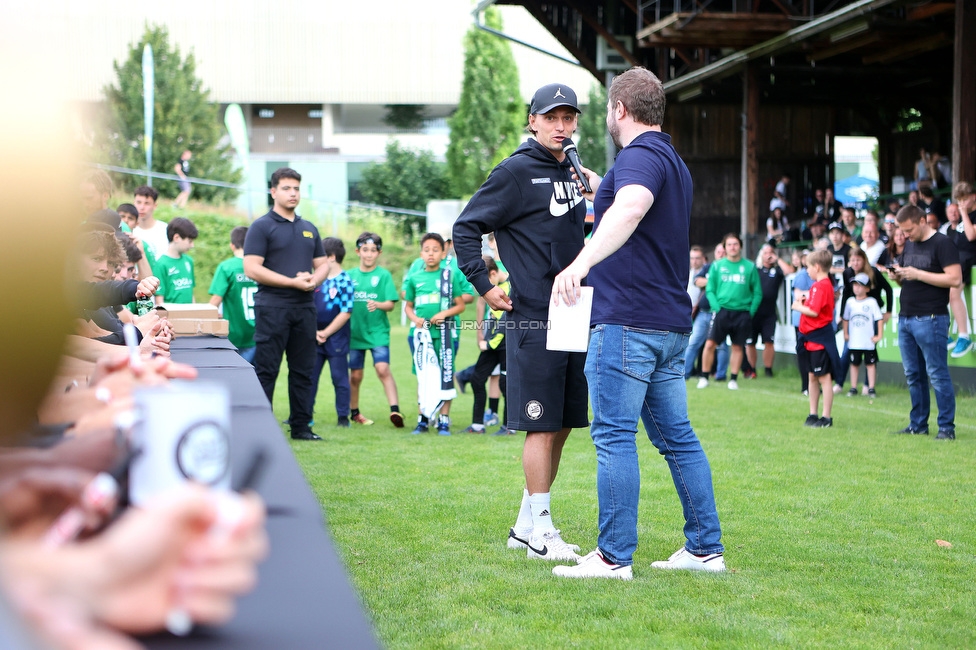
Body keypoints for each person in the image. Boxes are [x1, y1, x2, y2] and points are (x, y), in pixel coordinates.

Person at [549, 66, 725, 579]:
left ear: (620, 110)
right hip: (669, 325)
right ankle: (704, 549)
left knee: (614, 437)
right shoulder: (669, 159)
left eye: (606, 108)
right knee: (678, 440)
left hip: (627, 322)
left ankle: (611, 557)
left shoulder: (638, 158)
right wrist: (604, 187)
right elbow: (639, 209)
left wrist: (579, 264)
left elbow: (632, 208)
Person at [453, 81, 589, 563]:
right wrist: (485, 287)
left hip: (575, 310)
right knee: (540, 422)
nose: (561, 125)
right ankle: (542, 532)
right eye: (551, 117)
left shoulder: (572, 169)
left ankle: (525, 524)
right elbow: (465, 227)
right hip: (533, 312)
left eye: (569, 117)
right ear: (533, 120)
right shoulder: (513, 171)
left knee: (566, 421)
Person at [243, 167, 328, 441]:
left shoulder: (308, 228)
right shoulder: (261, 226)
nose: (293, 193)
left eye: (296, 188)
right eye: (287, 188)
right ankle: (261, 427)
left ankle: (301, 427)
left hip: (305, 309)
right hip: (272, 307)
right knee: (267, 370)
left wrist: (314, 279)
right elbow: (251, 268)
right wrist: (291, 282)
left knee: (303, 370)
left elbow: (323, 264)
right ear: (273, 191)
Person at [888, 204, 961, 439]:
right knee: (913, 375)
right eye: (902, 231)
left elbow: (955, 279)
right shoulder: (910, 244)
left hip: (931, 318)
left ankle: (946, 428)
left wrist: (917, 274)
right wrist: (899, 276)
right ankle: (918, 424)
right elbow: (910, 278)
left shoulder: (943, 243)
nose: (905, 235)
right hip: (906, 317)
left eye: (908, 230)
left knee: (937, 374)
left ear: (922, 221)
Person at [404, 233, 467, 435]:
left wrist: (444, 314)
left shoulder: (449, 276)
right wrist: (416, 320)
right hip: (423, 336)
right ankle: (423, 418)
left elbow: (460, 306)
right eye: (427, 250)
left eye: (435, 250)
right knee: (424, 376)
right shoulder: (414, 278)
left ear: (443, 253)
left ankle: (444, 421)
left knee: (445, 375)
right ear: (421, 253)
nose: (431, 254)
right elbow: (408, 307)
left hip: (446, 335)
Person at [347, 231, 404, 428]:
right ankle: (354, 412)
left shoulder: (383, 275)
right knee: (355, 375)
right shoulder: (350, 276)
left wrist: (378, 305)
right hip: (355, 333)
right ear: (358, 252)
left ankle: (395, 410)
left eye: (373, 250)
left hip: (378, 332)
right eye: (365, 250)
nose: (369, 254)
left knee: (382, 369)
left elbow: (391, 303)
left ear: (379, 253)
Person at [697, 232, 760, 390]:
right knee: (710, 343)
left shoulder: (749, 266)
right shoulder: (717, 266)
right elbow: (710, 290)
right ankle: (704, 377)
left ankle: (733, 379)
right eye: (729, 244)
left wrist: (750, 311)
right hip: (722, 311)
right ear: (725, 248)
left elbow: (758, 292)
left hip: (742, 312)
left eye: (735, 244)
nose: (733, 247)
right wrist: (716, 307)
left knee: (738, 346)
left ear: (740, 246)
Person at [459, 256, 509, 435]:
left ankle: (509, 427)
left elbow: (506, 322)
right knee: (477, 379)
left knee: (506, 384)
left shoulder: (510, 287)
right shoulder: (494, 286)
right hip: (492, 344)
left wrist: (488, 344)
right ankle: (477, 426)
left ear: (494, 274)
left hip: (505, 346)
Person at [791, 249, 837, 428]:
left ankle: (826, 417)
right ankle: (813, 413)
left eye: (808, 267)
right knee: (812, 376)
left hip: (818, 340)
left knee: (824, 377)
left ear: (817, 267)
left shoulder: (821, 285)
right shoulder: (821, 285)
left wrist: (797, 306)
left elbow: (815, 311)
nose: (807, 271)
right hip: (810, 339)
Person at [311, 237, 354, 428]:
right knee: (309, 377)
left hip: (336, 338)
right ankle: (304, 414)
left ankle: (343, 417)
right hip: (313, 337)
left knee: (339, 378)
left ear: (330, 257)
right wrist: (314, 331)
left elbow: (345, 312)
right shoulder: (314, 280)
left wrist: (325, 333)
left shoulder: (345, 281)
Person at [209, 226, 258, 363]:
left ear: (232, 245)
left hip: (234, 334)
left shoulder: (227, 267)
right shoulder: (260, 268)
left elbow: (215, 300)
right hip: (257, 333)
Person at [746, 243, 793, 377]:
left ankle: (768, 370)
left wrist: (777, 259)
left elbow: (789, 271)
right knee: (750, 342)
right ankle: (752, 369)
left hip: (769, 313)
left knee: (769, 341)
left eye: (770, 252)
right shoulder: (755, 270)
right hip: (754, 311)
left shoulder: (777, 271)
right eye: (765, 253)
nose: (768, 255)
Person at [945, 184, 976, 357]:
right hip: (957, 258)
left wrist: (963, 213)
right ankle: (947, 335)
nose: (962, 203)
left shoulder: (970, 215)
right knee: (944, 292)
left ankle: (964, 336)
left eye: (965, 199)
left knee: (953, 294)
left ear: (974, 196)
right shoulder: (959, 220)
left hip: (969, 258)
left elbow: (971, 236)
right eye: (959, 200)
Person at [842, 273, 884, 397]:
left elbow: (879, 319)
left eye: (860, 285)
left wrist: (879, 335)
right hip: (854, 340)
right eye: (855, 285)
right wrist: (846, 333)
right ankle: (853, 387)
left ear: (867, 288)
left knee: (870, 364)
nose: (857, 288)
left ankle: (871, 388)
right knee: (854, 364)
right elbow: (845, 319)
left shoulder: (871, 302)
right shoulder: (850, 302)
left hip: (868, 341)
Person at [154, 216, 198, 305]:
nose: (192, 245)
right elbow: (159, 301)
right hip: (172, 317)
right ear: (177, 237)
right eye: (189, 241)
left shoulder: (188, 261)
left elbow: (191, 293)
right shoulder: (161, 264)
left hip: (189, 315)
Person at [790, 249, 815, 394]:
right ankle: (806, 385)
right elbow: (799, 296)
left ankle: (815, 384)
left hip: (816, 320)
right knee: (803, 351)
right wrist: (815, 294)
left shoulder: (822, 277)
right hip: (801, 320)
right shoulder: (801, 275)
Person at [131, 185, 169, 263]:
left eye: (147, 203)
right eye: (138, 202)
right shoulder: (128, 230)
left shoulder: (165, 230)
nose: (142, 207)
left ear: (154, 206)